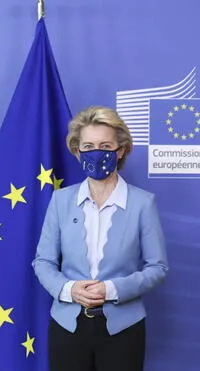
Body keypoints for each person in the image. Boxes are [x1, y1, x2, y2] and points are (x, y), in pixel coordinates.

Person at [32, 106, 168, 371]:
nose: (97, 153)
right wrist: (69, 290)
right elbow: (43, 261)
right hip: (67, 327)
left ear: (121, 150)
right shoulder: (61, 200)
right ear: (77, 151)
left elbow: (157, 267)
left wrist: (112, 290)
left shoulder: (143, 203)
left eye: (105, 145)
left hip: (124, 330)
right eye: (89, 146)